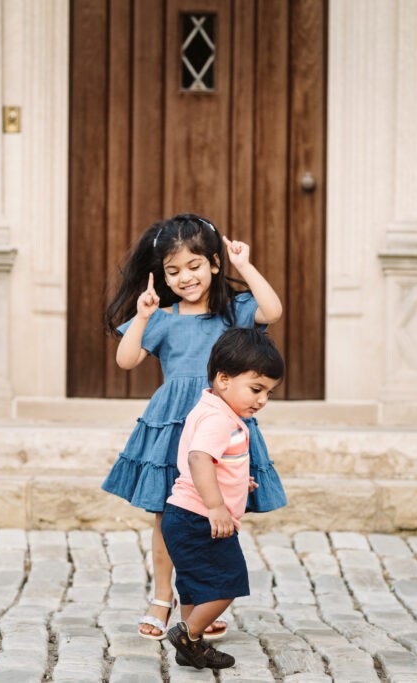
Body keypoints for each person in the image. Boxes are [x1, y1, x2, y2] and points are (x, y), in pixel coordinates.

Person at [99, 213, 287, 640]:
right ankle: (161, 598)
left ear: (215, 264)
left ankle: (197, 600)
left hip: (220, 429)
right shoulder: (162, 317)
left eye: (194, 265)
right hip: (173, 429)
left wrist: (246, 266)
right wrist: (143, 316)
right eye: (173, 270)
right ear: (162, 276)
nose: (185, 277)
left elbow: (272, 309)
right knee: (168, 515)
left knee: (213, 515)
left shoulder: (235, 311)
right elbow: (126, 360)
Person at [163, 327, 284, 670]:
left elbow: (214, 461)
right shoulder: (219, 418)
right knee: (226, 582)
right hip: (200, 518)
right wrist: (217, 506)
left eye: (268, 393)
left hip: (182, 516)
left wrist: (234, 482)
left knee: (193, 587)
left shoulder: (210, 407)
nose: (261, 400)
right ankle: (187, 634)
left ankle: (193, 647)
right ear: (224, 378)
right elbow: (199, 458)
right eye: (256, 389)